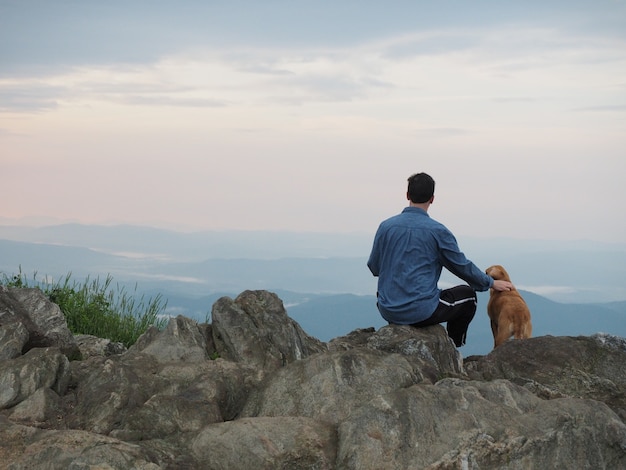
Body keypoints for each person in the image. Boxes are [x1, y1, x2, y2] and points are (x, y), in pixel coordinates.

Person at [367, 172, 513, 347]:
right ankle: (452, 348)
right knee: (468, 297)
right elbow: (461, 266)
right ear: (432, 198)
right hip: (421, 311)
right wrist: (490, 283)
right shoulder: (437, 231)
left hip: (388, 309)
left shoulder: (386, 227)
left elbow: (374, 267)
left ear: (407, 195)